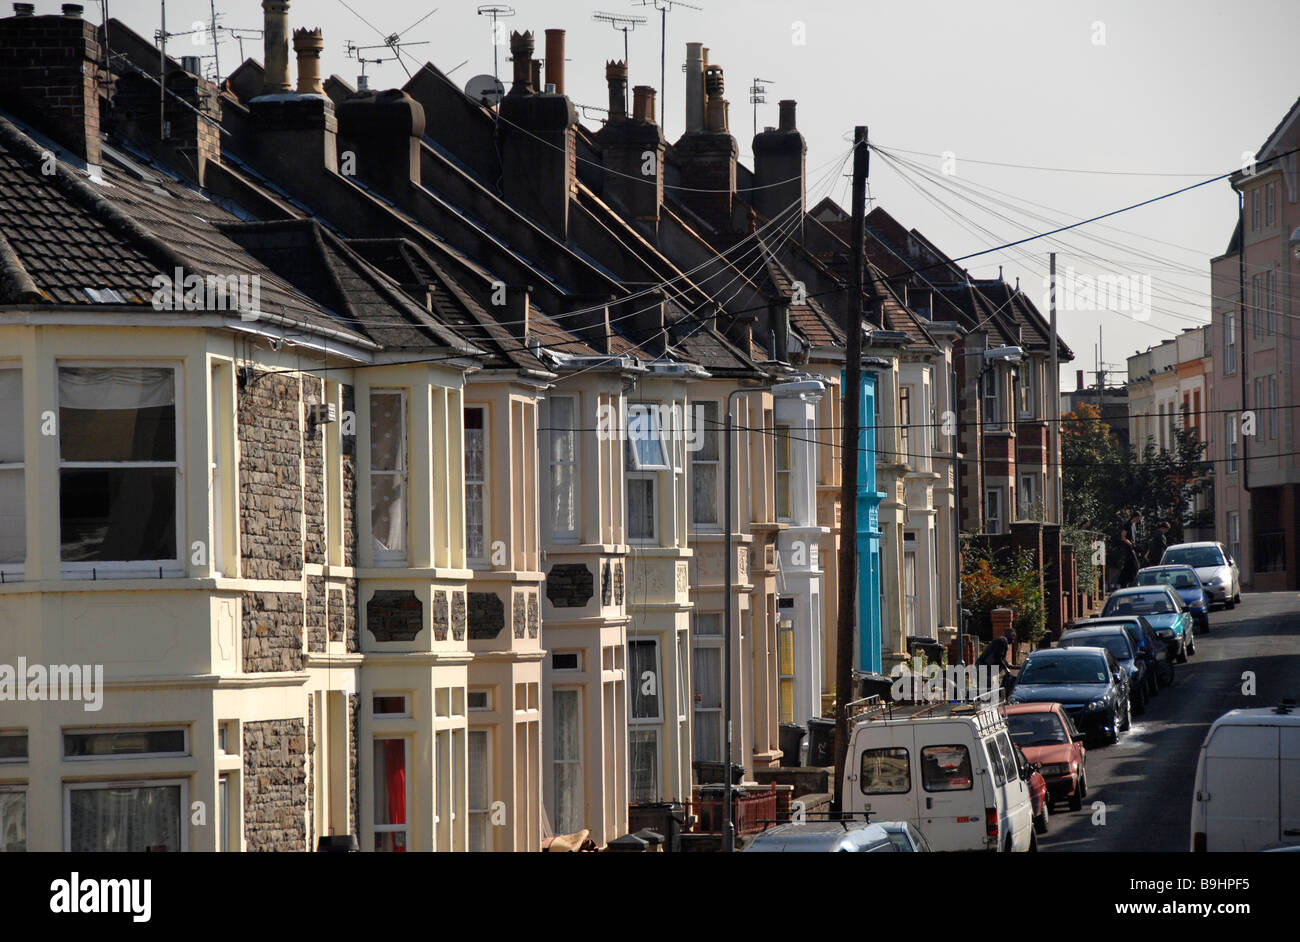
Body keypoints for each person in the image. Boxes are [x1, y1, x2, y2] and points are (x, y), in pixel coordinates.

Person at [1118, 511, 1142, 588]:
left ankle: (1128, 583)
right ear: (1134, 517)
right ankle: (1124, 583)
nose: (1139, 520)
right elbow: (1123, 537)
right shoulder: (1127, 524)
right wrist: (1131, 544)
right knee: (1130, 565)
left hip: (1132, 548)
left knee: (1132, 566)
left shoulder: (1134, 525)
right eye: (1138, 518)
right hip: (1127, 548)